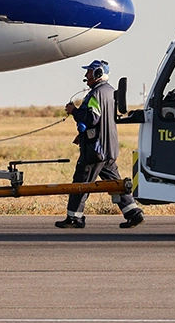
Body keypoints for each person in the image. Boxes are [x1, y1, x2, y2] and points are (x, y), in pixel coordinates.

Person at [55, 60, 145, 229]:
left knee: (81, 181)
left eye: (88, 73)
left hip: (95, 150)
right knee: (115, 183)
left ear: (97, 73)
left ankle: (74, 217)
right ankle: (134, 213)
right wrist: (80, 136)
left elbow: (92, 119)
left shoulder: (96, 94)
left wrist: (74, 111)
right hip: (108, 147)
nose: (85, 76)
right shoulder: (110, 91)